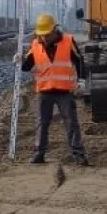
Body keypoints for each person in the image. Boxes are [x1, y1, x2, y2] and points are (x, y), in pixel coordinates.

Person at [15, 13, 91, 166]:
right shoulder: (35, 45)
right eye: (41, 35)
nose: (44, 38)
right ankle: (39, 154)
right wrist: (19, 60)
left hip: (64, 91)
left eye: (47, 34)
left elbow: (80, 61)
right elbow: (27, 66)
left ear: (55, 30)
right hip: (44, 91)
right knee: (42, 123)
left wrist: (82, 81)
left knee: (71, 123)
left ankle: (78, 154)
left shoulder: (68, 41)